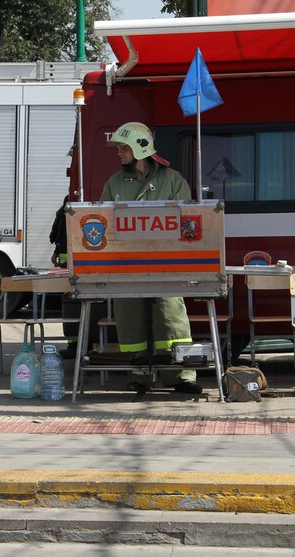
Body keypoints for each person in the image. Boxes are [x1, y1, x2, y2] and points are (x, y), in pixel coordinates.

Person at [101, 122, 202, 395]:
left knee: (170, 316)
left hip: (166, 264)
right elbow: (102, 221)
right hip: (127, 265)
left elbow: (188, 220)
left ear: (140, 148)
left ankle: (180, 376)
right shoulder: (115, 183)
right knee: (130, 318)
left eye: (124, 147)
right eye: (119, 148)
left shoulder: (173, 180)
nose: (119, 153)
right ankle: (140, 376)